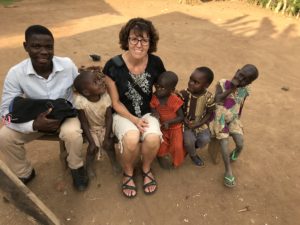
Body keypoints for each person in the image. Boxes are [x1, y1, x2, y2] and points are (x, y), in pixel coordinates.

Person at [0, 25, 88, 191]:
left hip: (65, 116)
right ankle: (25, 173)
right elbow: (5, 116)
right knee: (4, 137)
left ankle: (76, 168)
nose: (44, 52)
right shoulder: (16, 73)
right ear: (26, 46)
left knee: (72, 134)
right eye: (36, 46)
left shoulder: (67, 65)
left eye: (49, 47)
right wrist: (33, 125)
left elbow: (81, 86)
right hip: (35, 120)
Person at [103, 17, 166, 198]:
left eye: (144, 40)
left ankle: (146, 169)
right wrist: (134, 120)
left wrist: (158, 110)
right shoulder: (113, 66)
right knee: (131, 138)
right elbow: (115, 102)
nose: (139, 44)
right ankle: (128, 172)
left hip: (146, 112)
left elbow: (163, 89)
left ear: (150, 43)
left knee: (153, 137)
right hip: (123, 114)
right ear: (127, 40)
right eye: (134, 39)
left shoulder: (156, 63)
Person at [209, 64, 259, 187]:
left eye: (245, 80)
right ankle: (228, 171)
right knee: (224, 143)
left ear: (249, 83)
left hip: (233, 118)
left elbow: (240, 104)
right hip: (219, 117)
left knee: (240, 143)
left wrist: (238, 118)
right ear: (237, 71)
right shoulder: (222, 83)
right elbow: (218, 99)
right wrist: (232, 89)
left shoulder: (246, 90)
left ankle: (236, 152)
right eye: (240, 75)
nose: (241, 80)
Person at [73, 67, 115, 177]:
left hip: (104, 127)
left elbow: (109, 118)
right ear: (86, 92)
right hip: (90, 129)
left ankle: (114, 163)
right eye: (96, 82)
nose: (101, 82)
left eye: (99, 79)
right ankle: (89, 166)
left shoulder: (105, 97)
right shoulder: (81, 101)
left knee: (109, 145)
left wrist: (106, 138)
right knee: (92, 149)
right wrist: (91, 142)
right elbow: (84, 122)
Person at [179, 67, 215, 166]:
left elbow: (209, 113)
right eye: (191, 79)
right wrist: (184, 119)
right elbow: (178, 109)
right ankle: (193, 155)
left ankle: (191, 148)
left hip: (200, 123)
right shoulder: (183, 94)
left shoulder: (209, 97)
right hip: (186, 124)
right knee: (189, 140)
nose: (191, 83)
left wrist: (199, 124)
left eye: (196, 82)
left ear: (206, 85)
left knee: (205, 139)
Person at [150, 71, 186, 169]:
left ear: (172, 89)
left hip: (175, 128)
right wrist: (155, 112)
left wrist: (169, 122)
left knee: (177, 146)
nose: (158, 90)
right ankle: (160, 157)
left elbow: (181, 117)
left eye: (162, 88)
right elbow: (152, 107)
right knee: (161, 145)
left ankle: (176, 162)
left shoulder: (174, 99)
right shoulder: (155, 97)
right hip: (162, 128)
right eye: (157, 86)